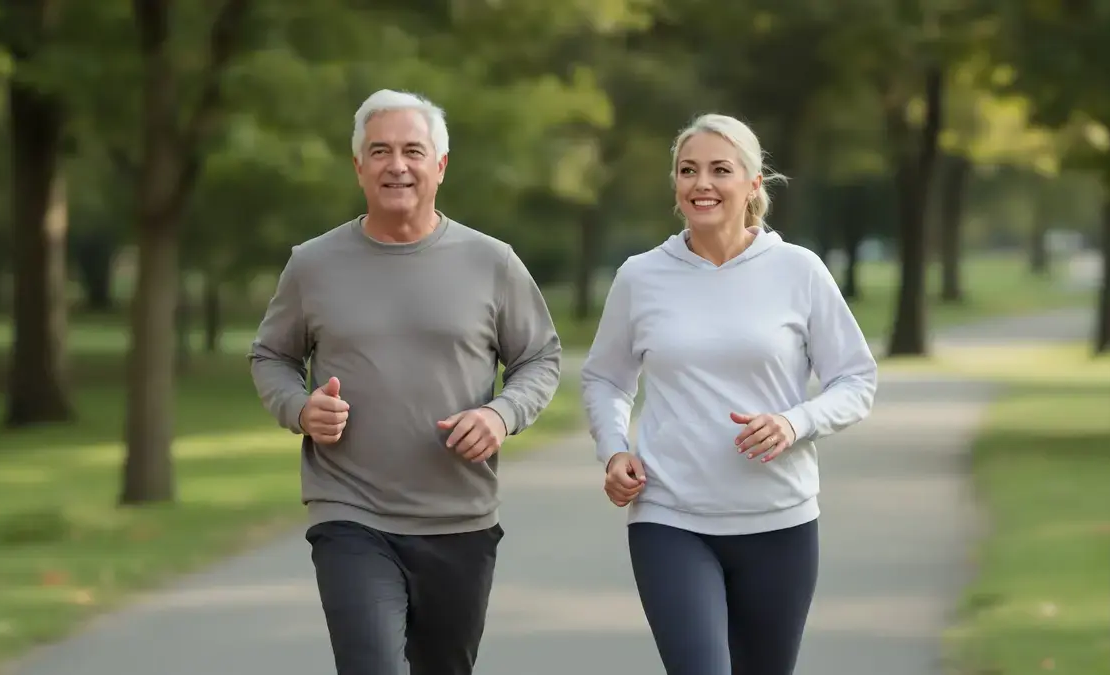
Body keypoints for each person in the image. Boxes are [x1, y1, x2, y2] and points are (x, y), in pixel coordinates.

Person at [248, 88, 562, 675]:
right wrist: (298, 408)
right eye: (381, 151)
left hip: (459, 519)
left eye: (413, 151)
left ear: (440, 166)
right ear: (359, 166)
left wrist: (501, 414)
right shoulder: (313, 264)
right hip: (350, 512)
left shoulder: (492, 262)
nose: (397, 164)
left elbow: (539, 358)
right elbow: (270, 354)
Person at [579, 113, 878, 675]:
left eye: (720, 169)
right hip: (670, 517)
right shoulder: (641, 277)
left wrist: (795, 423)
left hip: (780, 522)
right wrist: (615, 449)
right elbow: (605, 378)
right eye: (688, 171)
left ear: (753, 184)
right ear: (675, 185)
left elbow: (856, 380)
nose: (702, 184)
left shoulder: (799, 271)